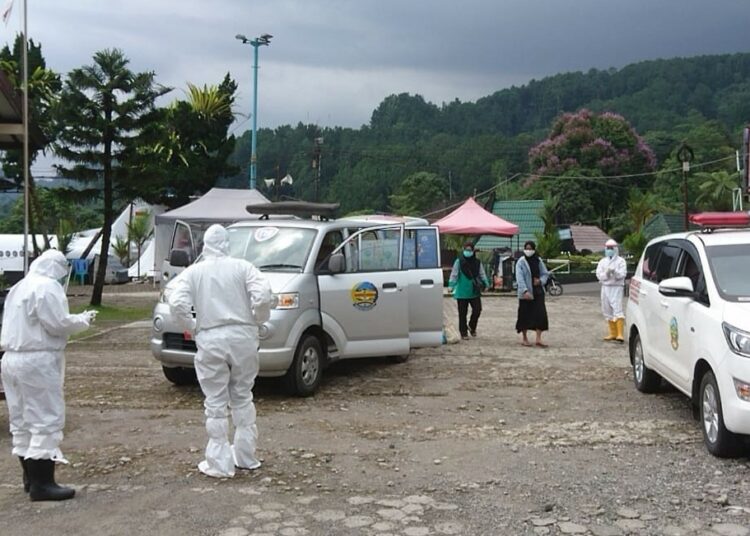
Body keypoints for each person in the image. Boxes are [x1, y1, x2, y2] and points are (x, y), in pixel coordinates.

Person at [168, 224, 273, 478]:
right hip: (243, 336)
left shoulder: (194, 272)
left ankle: (220, 463)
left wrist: (192, 327)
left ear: (205, 245)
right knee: (242, 394)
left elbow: (176, 302)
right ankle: (246, 457)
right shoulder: (243, 267)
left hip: (211, 336)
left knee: (215, 402)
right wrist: (258, 319)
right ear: (227, 243)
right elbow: (263, 295)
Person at [1, 249, 97, 501]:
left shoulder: (19, 287)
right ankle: (42, 484)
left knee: (21, 419)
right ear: (55, 266)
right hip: (37, 358)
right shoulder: (47, 287)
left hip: (11, 358)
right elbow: (57, 324)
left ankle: (30, 478)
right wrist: (82, 320)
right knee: (45, 418)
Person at [448, 242, 490, 340]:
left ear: (473, 251)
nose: (468, 252)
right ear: (463, 250)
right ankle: (463, 332)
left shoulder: (477, 262)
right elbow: (454, 274)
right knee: (462, 313)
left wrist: (486, 283)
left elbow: (482, 273)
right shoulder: (459, 262)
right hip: (462, 291)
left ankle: (472, 326)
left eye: (470, 250)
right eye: (466, 250)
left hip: (474, 290)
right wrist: (451, 286)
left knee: (477, 309)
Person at [515, 240, 550, 347]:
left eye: (530, 248)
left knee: (540, 314)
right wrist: (525, 290)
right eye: (527, 248)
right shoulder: (521, 262)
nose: (528, 251)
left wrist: (540, 281)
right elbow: (519, 277)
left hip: (538, 291)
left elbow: (545, 273)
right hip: (525, 293)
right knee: (524, 315)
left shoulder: (538, 260)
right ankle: (524, 338)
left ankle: (538, 338)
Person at [596, 238, 628, 343]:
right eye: (607, 248)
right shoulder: (602, 261)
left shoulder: (621, 261)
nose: (609, 250)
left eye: (611, 248)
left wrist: (614, 272)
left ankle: (620, 334)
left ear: (615, 249)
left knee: (617, 308)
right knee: (607, 309)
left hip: (616, 287)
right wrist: (606, 274)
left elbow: (622, 274)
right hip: (605, 287)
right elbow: (599, 275)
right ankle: (613, 333)